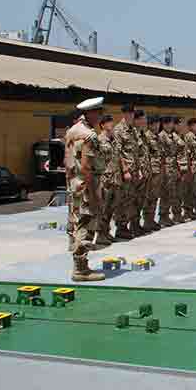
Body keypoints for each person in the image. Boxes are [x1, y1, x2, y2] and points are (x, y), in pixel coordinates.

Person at [64, 97, 106, 282]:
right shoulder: (89, 135)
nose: (100, 116)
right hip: (86, 185)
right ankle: (81, 269)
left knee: (76, 223)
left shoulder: (72, 131)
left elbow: (67, 163)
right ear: (90, 113)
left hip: (74, 185)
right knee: (86, 225)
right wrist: (93, 192)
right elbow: (87, 166)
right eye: (98, 112)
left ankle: (79, 265)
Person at [111, 103, 139, 241]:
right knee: (122, 200)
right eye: (128, 113)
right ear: (124, 114)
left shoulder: (132, 129)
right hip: (124, 172)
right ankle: (120, 228)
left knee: (130, 199)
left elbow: (136, 151)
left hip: (134, 169)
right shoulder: (118, 130)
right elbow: (118, 152)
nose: (130, 115)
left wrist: (137, 169)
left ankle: (127, 225)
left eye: (132, 113)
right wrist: (125, 170)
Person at [96, 114, 119, 245]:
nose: (112, 125)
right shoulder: (99, 140)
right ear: (103, 125)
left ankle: (106, 231)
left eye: (112, 122)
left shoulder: (113, 141)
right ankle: (99, 234)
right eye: (109, 123)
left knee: (111, 207)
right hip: (104, 179)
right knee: (102, 208)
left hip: (114, 178)